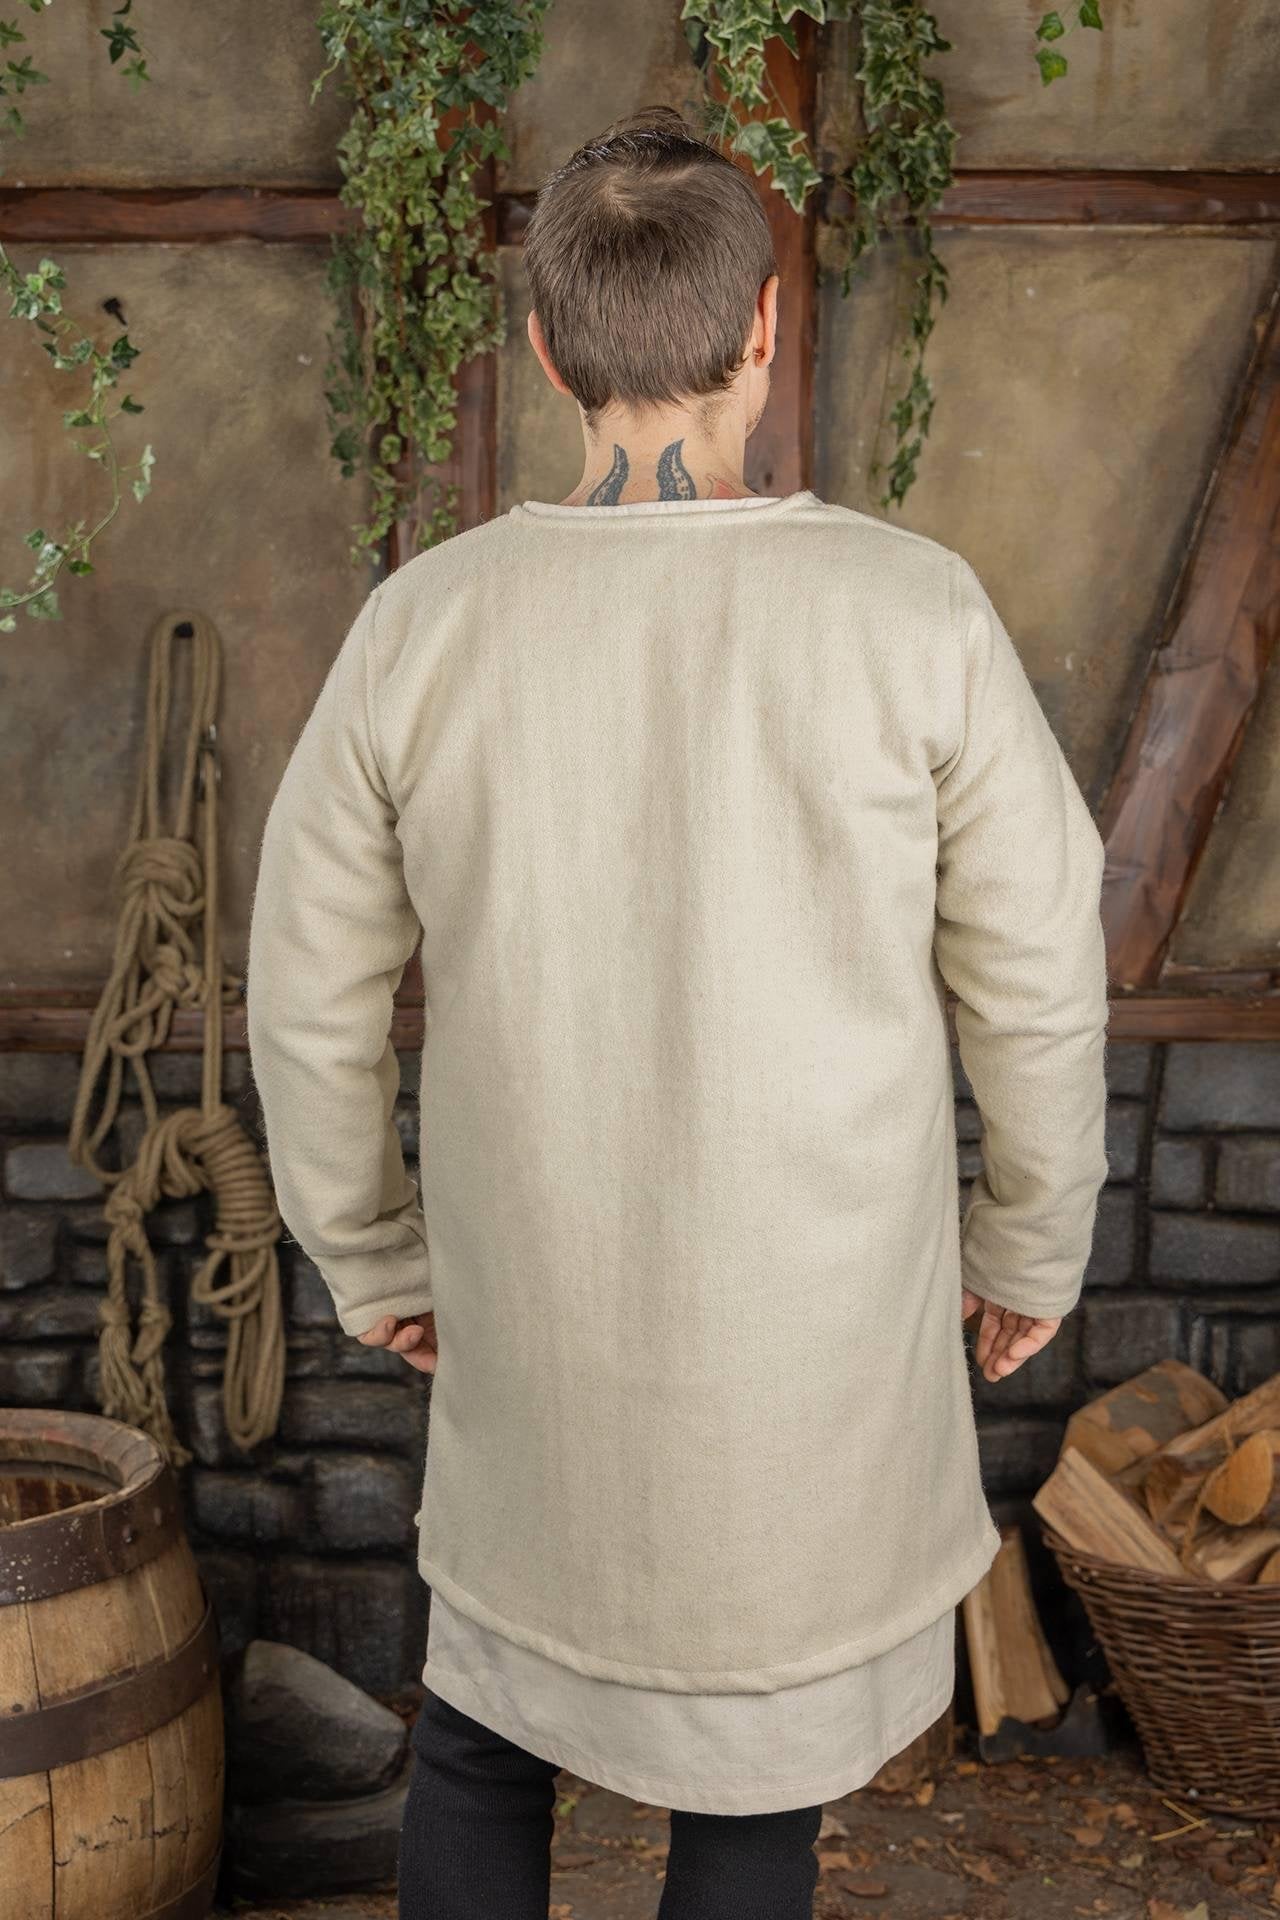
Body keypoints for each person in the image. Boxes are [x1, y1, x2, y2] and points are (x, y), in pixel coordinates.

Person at [246, 104, 1109, 1920]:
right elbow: (1037, 965)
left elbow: (308, 991)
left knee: (480, 1737)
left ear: (545, 348)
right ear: (765, 327)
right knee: (758, 1792)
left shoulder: (423, 628)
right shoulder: (913, 614)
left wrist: (371, 1253)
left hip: (535, 1316)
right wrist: (1030, 1239)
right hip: (809, 1353)